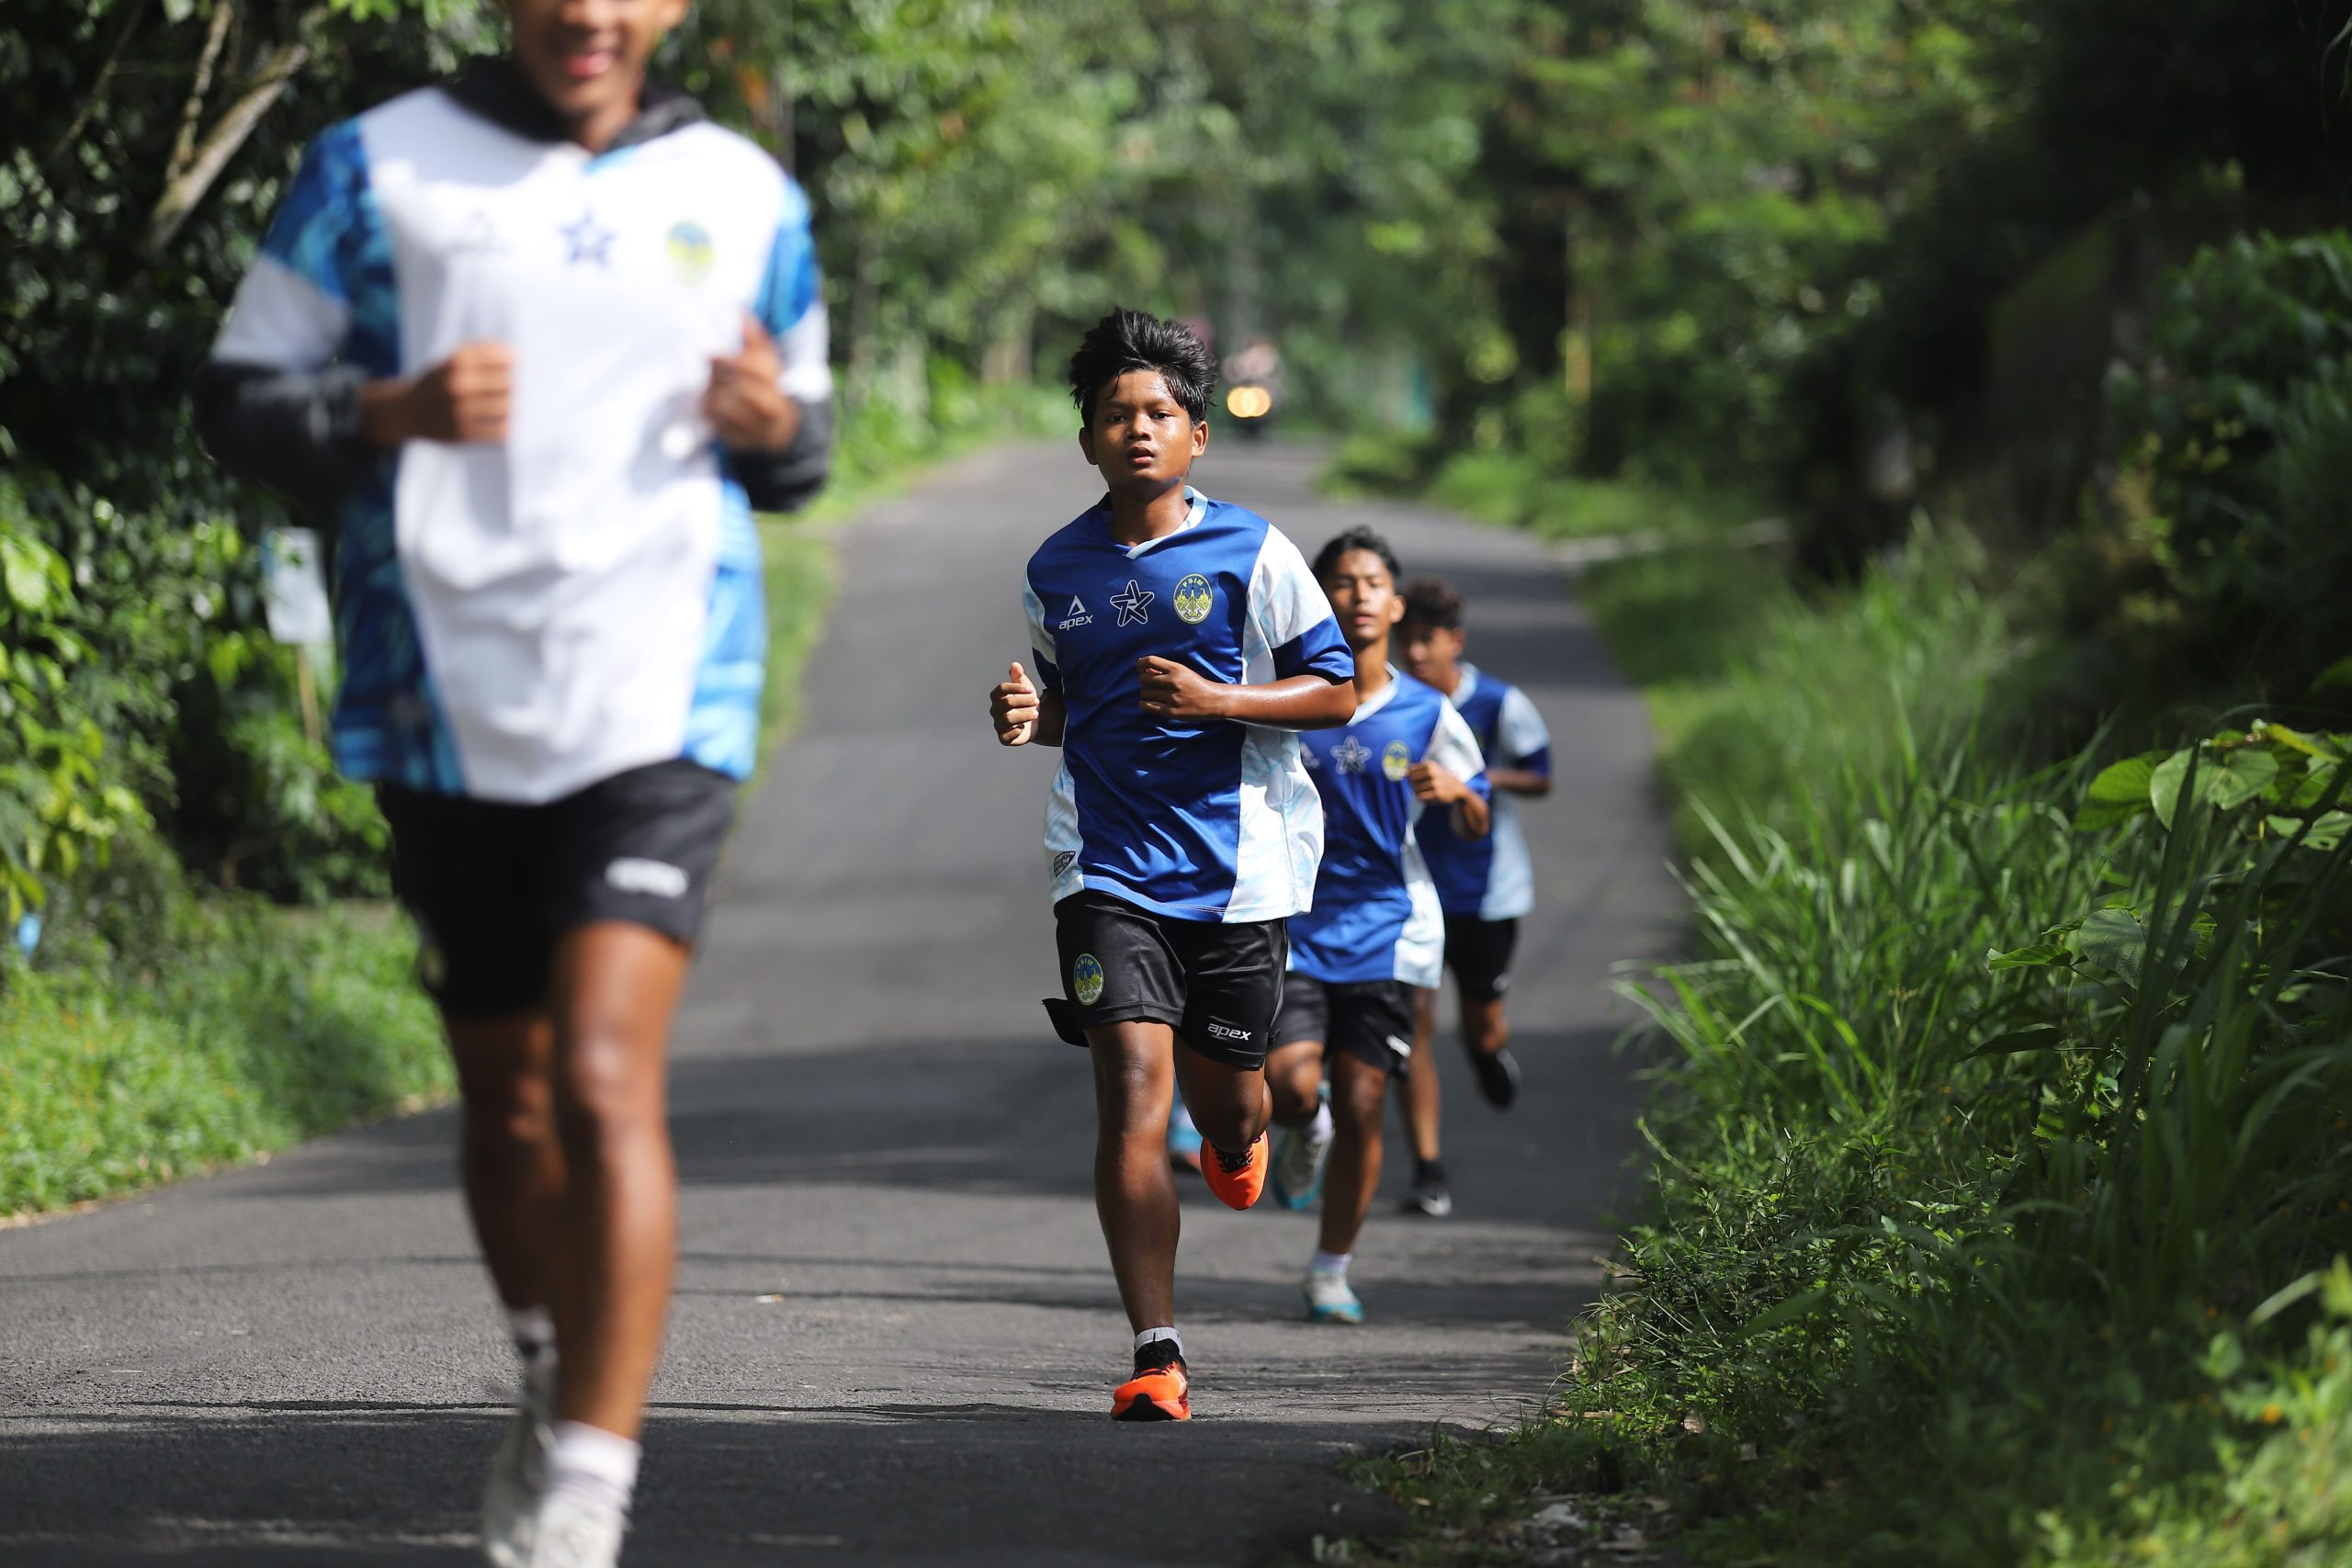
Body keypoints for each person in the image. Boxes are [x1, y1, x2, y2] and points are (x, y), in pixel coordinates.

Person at [193, 3, 833, 1562]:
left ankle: (587, 1497)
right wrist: (383, 412)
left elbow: (802, 441)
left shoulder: (746, 192)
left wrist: (776, 429)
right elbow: (238, 396)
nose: (588, 13)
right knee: (512, 1094)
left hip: (664, 693)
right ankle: (554, 1374)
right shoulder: (376, 168)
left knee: (609, 1078)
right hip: (440, 695)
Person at [987, 307, 1354, 1419]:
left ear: (1197, 435)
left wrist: (1221, 699)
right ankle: (1157, 1352)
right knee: (1132, 1101)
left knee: (1227, 1111)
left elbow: (1333, 691)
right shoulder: (1057, 566)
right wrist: (1025, 716)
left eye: (1158, 413)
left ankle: (1256, 1138)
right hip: (1105, 871)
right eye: (1114, 414)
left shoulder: (1254, 552)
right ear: (1088, 438)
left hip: (1239, 876)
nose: (1136, 429)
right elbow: (1073, 710)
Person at [1261, 530, 1488, 1323]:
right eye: (1341, 582)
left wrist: (1457, 792)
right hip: (1293, 922)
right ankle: (1305, 1129)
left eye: (1371, 582)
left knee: (1364, 1099)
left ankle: (1331, 1268)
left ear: (1395, 602)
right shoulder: (1289, 699)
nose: (1357, 594)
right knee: (1292, 1088)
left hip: (1388, 930)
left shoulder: (1430, 712)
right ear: (1319, 599)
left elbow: (1475, 813)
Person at [1393, 578, 1554, 1220]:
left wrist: (1474, 781)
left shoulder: (1498, 703)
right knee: (1415, 1026)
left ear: (1454, 641)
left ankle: (1488, 1049)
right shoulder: (1392, 704)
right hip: (1414, 889)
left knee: (1481, 1021)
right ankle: (1429, 1169)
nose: (1415, 654)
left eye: (1426, 641)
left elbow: (1541, 774)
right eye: (1406, 641)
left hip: (1489, 893)